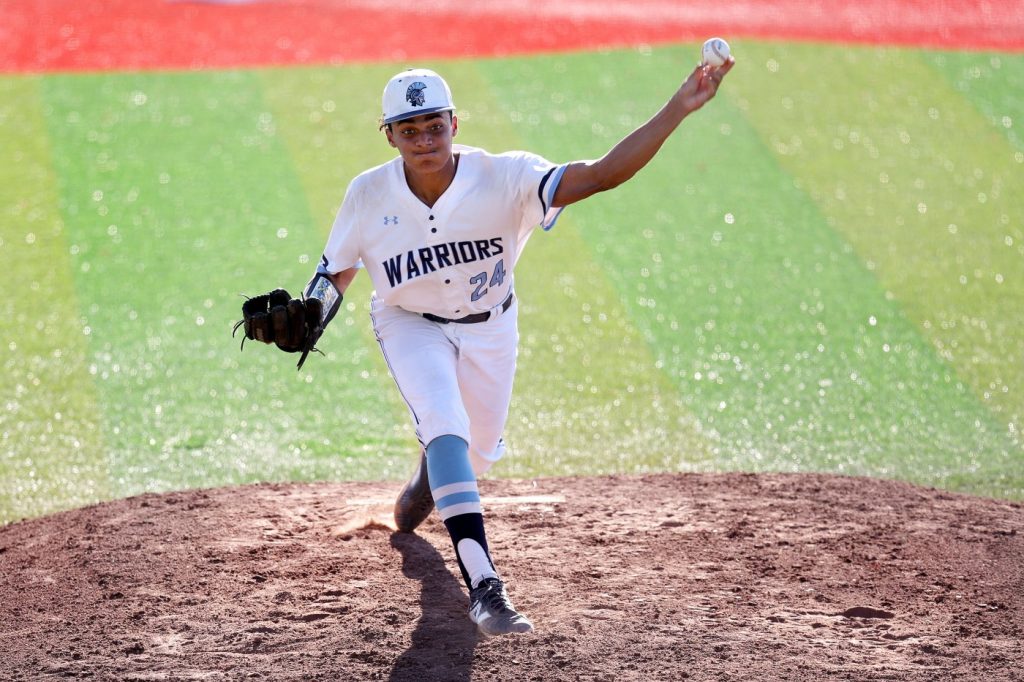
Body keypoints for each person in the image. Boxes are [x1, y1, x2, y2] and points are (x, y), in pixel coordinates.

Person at [245, 56, 733, 637]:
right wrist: (310, 313)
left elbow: (602, 174)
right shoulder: (367, 194)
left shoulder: (507, 176)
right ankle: (486, 587)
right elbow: (336, 274)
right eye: (409, 130)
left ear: (455, 122)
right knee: (445, 423)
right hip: (409, 324)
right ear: (389, 135)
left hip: (491, 329)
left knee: (468, 459)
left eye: (435, 125)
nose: (425, 140)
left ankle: (421, 484)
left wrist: (679, 106)